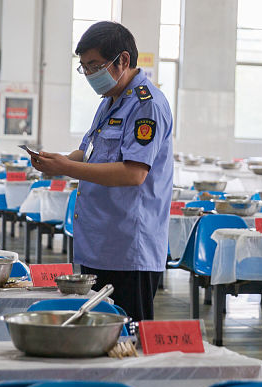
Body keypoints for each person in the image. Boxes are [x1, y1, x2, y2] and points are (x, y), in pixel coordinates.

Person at [27, 21, 173, 321]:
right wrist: (57, 162)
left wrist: (68, 167)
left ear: (123, 60)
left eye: (95, 66)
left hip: (129, 248)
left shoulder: (146, 105)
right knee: (96, 329)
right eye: (85, 68)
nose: (91, 75)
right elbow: (89, 153)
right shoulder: (110, 101)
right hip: (100, 242)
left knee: (126, 333)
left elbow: (134, 174)